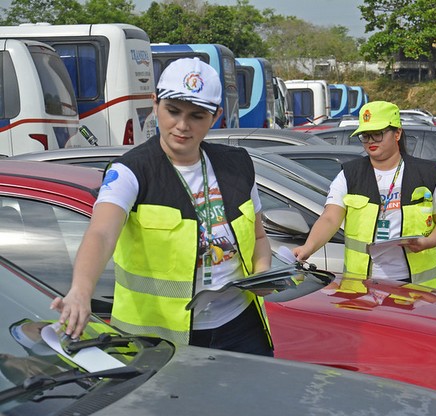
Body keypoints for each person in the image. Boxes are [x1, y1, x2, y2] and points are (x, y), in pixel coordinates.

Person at [50, 58, 274, 356]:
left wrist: (263, 273)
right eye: (173, 111)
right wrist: (80, 290)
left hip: (241, 329)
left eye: (197, 115)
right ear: (155, 104)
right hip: (159, 340)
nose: (182, 126)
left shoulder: (237, 165)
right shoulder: (131, 171)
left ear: (216, 116)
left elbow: (258, 237)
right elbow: (101, 234)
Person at [293, 101, 436, 288]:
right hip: (362, 286)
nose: (370, 141)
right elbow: (330, 218)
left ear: (397, 133)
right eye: (365, 135)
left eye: (377, 134)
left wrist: (428, 242)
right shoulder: (349, 175)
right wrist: (308, 248)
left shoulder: (426, 174)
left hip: (416, 288)